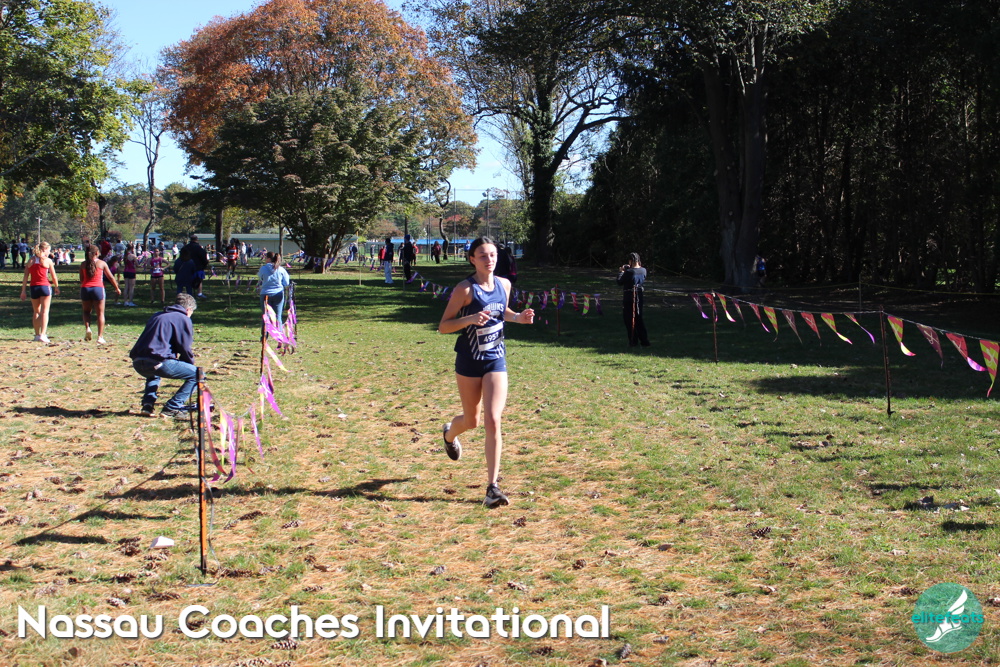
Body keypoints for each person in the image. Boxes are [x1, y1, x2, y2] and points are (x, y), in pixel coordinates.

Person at [438, 236, 535, 508]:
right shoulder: (465, 289)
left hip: (495, 360)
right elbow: (443, 326)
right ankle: (449, 434)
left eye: (492, 255)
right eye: (482, 255)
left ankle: (492, 487)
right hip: (469, 361)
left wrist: (518, 318)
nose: (489, 259)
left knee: (493, 419)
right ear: (472, 259)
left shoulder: (504, 284)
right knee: (472, 421)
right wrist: (470, 318)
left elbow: (502, 312)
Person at [130, 293, 199, 418]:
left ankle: (147, 405)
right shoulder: (183, 318)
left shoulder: (157, 315)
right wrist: (189, 363)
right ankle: (172, 407)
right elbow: (185, 346)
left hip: (138, 361)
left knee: (153, 374)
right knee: (197, 375)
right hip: (158, 362)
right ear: (188, 309)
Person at [79, 245, 121, 344]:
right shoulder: (102, 263)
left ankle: (88, 328)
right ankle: (100, 337)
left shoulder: (83, 264)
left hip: (85, 289)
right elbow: (110, 277)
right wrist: (117, 287)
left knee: (86, 311)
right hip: (98, 288)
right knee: (100, 314)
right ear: (97, 253)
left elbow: (81, 279)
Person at [20, 241, 60, 342]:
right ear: (44, 249)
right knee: (45, 311)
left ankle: (37, 334)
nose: (49, 252)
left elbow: (25, 277)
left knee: (36, 312)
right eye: (49, 250)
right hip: (45, 286)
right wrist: (56, 286)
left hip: (34, 287)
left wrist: (23, 290)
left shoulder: (31, 260)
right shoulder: (47, 261)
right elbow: (54, 276)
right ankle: (43, 334)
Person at [616, 252, 650, 348]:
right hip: (639, 296)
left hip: (629, 297)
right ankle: (644, 340)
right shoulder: (643, 270)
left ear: (630, 261)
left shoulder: (630, 272)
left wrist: (621, 272)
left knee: (629, 319)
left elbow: (620, 282)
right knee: (639, 318)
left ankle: (633, 341)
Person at [257, 252, 291, 327]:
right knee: (278, 316)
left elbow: (261, 278)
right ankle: (279, 332)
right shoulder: (281, 269)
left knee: (266, 316)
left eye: (266, 258)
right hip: (278, 293)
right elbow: (286, 283)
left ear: (269, 259)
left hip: (265, 293)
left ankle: (265, 333)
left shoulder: (263, 268)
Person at [184, 234, 209, 299]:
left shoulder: (186, 248)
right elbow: (204, 258)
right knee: (199, 280)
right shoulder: (199, 248)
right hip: (198, 267)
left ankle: (189, 294)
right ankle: (199, 293)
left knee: (188, 281)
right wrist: (204, 265)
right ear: (197, 240)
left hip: (188, 267)